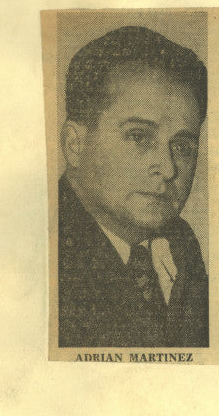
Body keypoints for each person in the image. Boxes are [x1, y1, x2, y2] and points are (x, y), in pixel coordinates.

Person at [58, 24, 208, 348]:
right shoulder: (49, 249)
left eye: (182, 147)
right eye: (140, 137)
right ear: (75, 145)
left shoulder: (182, 246)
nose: (168, 169)